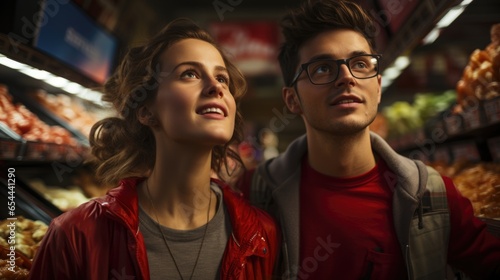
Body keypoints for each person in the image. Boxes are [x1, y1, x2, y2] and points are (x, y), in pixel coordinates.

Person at [239, 1, 500, 279]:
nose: (347, 77)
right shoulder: (253, 194)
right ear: (292, 100)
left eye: (361, 64)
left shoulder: (431, 194)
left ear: (377, 87)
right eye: (322, 68)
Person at [29, 18, 279, 280]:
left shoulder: (261, 235)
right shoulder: (76, 235)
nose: (216, 87)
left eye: (222, 78)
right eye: (189, 74)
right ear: (146, 111)